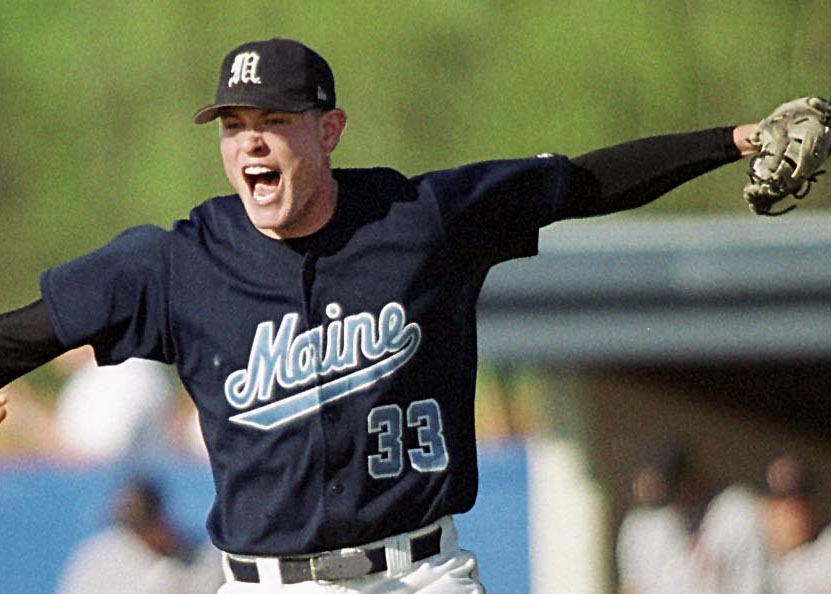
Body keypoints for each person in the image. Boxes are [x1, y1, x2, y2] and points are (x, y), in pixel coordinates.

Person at [0, 36, 799, 593]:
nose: (251, 143)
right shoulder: (177, 263)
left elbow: (580, 185)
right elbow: (35, 327)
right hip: (265, 584)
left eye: (274, 122)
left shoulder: (418, 221)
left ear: (328, 130)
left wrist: (731, 140)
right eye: (236, 127)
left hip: (421, 576)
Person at [56, 477, 224, 594]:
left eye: (146, 525)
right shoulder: (98, 557)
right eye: (133, 528)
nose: (144, 536)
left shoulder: (205, 556)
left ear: (161, 518)